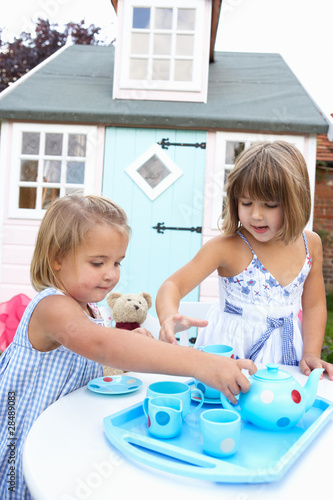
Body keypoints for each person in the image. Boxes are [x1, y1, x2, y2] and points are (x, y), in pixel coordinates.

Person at [0, 194, 255, 500]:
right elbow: (101, 346)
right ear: (57, 257)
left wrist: (138, 345)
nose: (111, 273)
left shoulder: (88, 309)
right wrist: (200, 363)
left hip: (60, 432)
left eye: (118, 262)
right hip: (21, 435)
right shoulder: (52, 306)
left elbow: (100, 350)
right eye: (98, 262)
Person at [156, 140, 333, 380]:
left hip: (286, 358)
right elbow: (173, 286)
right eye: (246, 203)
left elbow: (314, 305)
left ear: (295, 202)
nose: (256, 215)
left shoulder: (309, 243)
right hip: (230, 354)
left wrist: (311, 352)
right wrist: (168, 316)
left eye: (270, 205)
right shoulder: (227, 246)